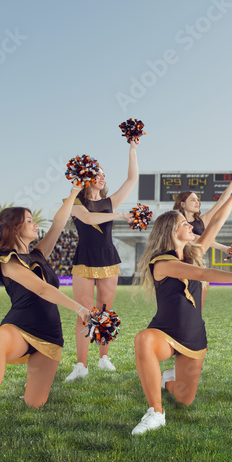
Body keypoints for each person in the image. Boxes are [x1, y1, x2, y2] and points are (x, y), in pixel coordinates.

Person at [0, 189, 91, 444]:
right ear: (13, 227)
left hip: (50, 335)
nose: (34, 224)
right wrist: (80, 309)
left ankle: (28, 391)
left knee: (34, 404)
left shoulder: (38, 254)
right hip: (20, 328)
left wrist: (74, 191)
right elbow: (41, 288)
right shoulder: (7, 259)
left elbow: (58, 223)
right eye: (29, 220)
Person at [131, 179, 232, 435]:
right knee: (143, 340)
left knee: (185, 399)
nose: (191, 226)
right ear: (171, 231)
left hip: (194, 334)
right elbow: (202, 274)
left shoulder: (193, 252)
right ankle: (155, 412)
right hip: (165, 331)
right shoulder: (161, 261)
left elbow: (217, 222)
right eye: (184, 224)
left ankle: (167, 381)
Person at [64, 137, 139, 381]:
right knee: (84, 312)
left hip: (108, 258)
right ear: (87, 178)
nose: (103, 177)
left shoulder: (109, 201)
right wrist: (118, 214)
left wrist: (132, 149)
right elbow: (88, 220)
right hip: (85, 259)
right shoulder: (75, 202)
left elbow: (132, 180)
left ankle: (104, 357)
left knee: (106, 311)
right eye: (98, 173)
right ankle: (81, 365)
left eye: (104, 174)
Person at [171, 172, 232, 311]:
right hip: (180, 264)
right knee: (179, 306)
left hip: (199, 264)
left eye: (198, 199)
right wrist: (223, 248)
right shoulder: (175, 221)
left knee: (197, 307)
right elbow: (196, 238)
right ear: (182, 203)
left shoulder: (202, 221)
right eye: (193, 200)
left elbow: (222, 202)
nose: (197, 202)